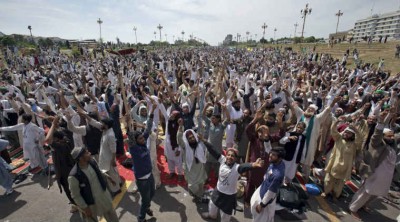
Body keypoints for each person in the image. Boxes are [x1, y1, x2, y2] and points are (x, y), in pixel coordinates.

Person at [200, 138, 264, 222]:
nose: (230, 157)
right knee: (212, 205)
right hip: (218, 191)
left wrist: (253, 165)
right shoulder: (222, 160)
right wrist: (204, 141)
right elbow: (213, 150)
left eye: (232, 156)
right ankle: (212, 216)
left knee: (225, 215)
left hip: (229, 196)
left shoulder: (237, 167)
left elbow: (244, 166)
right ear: (226, 155)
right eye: (228, 155)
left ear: (236, 159)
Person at [349, 110, 397, 220]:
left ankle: (364, 205)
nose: (392, 138)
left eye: (392, 136)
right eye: (389, 136)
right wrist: (380, 122)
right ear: (383, 136)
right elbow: (377, 134)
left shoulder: (392, 146)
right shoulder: (378, 143)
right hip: (373, 173)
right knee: (365, 192)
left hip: (385, 178)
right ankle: (353, 208)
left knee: (377, 193)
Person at [68, 147, 119, 222]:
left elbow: (98, 171)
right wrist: (85, 208)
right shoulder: (73, 176)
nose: (90, 153)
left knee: (112, 216)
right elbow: (76, 195)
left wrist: (108, 177)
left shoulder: (92, 161)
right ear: (81, 158)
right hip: (90, 204)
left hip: (103, 196)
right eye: (86, 153)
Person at [127, 100, 156, 222]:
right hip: (142, 179)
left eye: (142, 137)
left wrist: (152, 110)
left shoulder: (142, 140)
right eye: (139, 138)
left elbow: (148, 127)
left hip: (150, 176)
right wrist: (128, 122)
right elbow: (131, 138)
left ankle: (146, 207)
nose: (143, 139)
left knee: (152, 194)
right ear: (135, 140)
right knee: (145, 200)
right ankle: (141, 218)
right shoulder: (134, 148)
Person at [322, 121, 361, 200]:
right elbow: (333, 130)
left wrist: (355, 130)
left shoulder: (354, 144)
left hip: (345, 168)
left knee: (339, 184)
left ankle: (335, 195)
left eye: (349, 133)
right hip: (334, 165)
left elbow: (360, 139)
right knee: (328, 180)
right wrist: (336, 122)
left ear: (352, 136)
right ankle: (326, 192)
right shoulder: (339, 138)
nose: (346, 134)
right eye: (345, 132)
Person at [45, 116, 76, 212]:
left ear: (56, 139)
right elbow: (59, 133)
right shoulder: (66, 140)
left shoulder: (59, 146)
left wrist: (53, 124)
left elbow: (48, 140)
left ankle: (75, 205)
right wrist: (55, 125)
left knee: (69, 189)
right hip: (71, 168)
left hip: (64, 172)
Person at [250, 147, 286, 222]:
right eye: (271, 153)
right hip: (261, 190)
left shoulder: (277, 175)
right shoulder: (279, 163)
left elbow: (271, 193)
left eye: (274, 155)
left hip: (265, 201)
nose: (270, 155)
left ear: (279, 158)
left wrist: (261, 205)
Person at [177, 119, 208, 202]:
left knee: (201, 183)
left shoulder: (199, 145)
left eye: (192, 137)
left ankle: (199, 196)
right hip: (190, 169)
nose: (192, 139)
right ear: (187, 140)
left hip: (200, 169)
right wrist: (180, 127)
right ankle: (194, 194)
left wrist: (201, 126)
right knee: (193, 186)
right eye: (189, 138)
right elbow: (179, 139)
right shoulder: (185, 146)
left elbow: (202, 133)